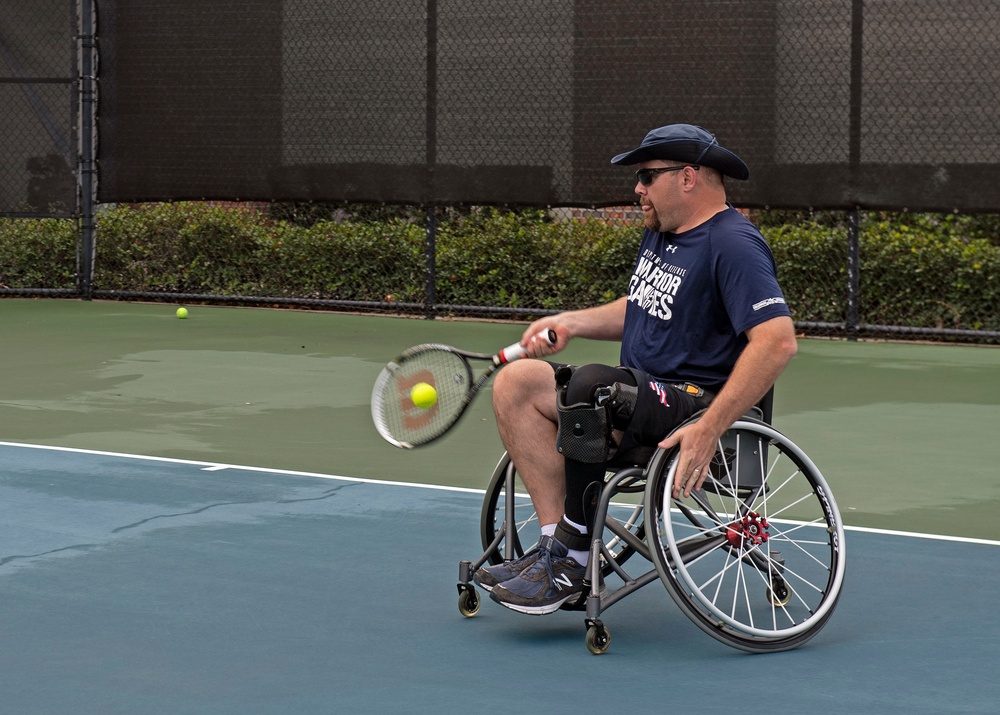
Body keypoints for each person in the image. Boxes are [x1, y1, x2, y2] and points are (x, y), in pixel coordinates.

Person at [474, 123, 798, 615]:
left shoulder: (733, 244)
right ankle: (556, 550)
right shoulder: (664, 236)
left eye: (647, 175)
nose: (637, 188)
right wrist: (572, 322)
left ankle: (574, 556)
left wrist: (712, 427)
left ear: (687, 177)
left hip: (695, 405)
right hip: (639, 398)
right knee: (516, 383)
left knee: (591, 386)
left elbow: (776, 342)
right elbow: (643, 305)